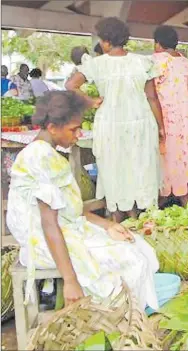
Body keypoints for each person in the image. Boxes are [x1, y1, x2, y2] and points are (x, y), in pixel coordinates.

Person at [6, 91, 159, 309]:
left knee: (134, 244)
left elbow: (70, 212)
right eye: (73, 129)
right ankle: (114, 318)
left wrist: (109, 225)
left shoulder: (48, 153)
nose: (79, 134)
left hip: (62, 230)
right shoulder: (38, 157)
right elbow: (49, 224)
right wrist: (70, 281)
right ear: (52, 128)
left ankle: (123, 314)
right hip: (41, 242)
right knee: (127, 258)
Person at [66, 17, 164, 222]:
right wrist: (161, 127)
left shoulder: (96, 64)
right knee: (141, 166)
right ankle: (140, 216)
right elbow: (152, 97)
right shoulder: (143, 62)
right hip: (141, 122)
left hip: (110, 123)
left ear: (106, 41)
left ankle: (118, 216)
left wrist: (91, 101)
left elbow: (71, 85)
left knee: (114, 167)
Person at [152, 25, 188, 205]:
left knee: (167, 157)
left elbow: (150, 94)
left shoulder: (156, 61)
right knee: (185, 155)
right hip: (187, 120)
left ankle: (163, 196)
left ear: (157, 43)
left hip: (166, 120)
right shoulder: (186, 62)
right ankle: (185, 194)